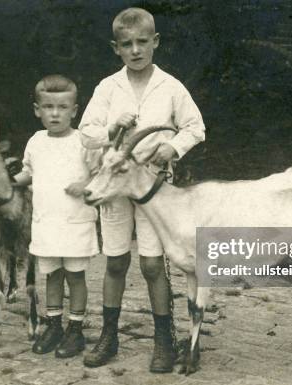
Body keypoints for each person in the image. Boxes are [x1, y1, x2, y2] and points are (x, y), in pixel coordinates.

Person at [79, 7, 205, 372]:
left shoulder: (170, 87)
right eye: (127, 44)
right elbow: (87, 133)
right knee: (116, 260)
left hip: (153, 190)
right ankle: (109, 335)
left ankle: (163, 339)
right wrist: (110, 128)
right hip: (115, 187)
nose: (135, 50)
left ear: (155, 43)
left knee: (152, 264)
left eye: (142, 42)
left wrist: (173, 147)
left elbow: (195, 127)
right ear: (115, 48)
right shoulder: (108, 87)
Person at [13, 74, 100, 358]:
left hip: (75, 222)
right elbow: (29, 172)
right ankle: (54, 326)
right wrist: (9, 181)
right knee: (51, 276)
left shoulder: (84, 143)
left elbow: (102, 177)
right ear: (38, 110)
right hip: (47, 224)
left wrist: (86, 186)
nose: (55, 114)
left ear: (74, 111)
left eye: (62, 108)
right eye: (48, 107)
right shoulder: (36, 141)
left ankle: (75, 330)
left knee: (75, 277)